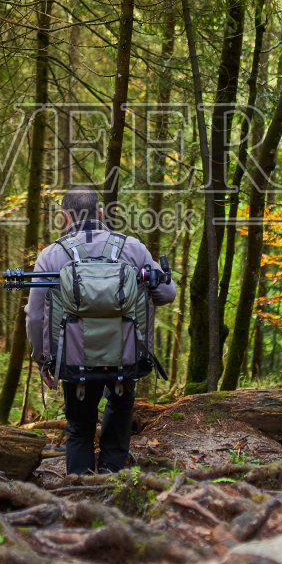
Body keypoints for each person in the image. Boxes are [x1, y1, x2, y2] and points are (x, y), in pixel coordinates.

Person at [26, 186, 176, 474]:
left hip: (73, 358)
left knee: (79, 424)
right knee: (120, 411)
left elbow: (35, 316)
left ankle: (79, 483)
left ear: (64, 217)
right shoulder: (132, 248)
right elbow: (167, 293)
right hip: (126, 355)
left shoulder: (52, 255)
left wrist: (42, 359)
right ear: (101, 213)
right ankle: (111, 477)